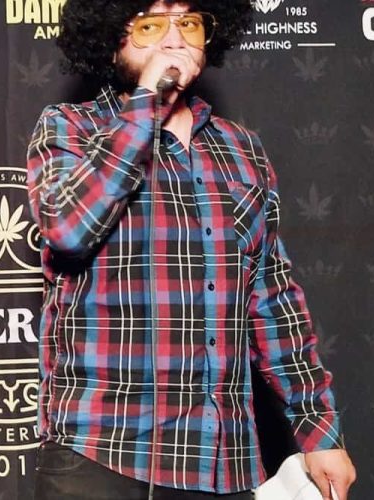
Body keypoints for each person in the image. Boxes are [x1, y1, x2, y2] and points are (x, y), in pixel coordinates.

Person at [26, 1, 356, 499]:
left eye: (190, 23)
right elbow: (69, 229)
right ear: (113, 40)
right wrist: (145, 102)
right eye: (151, 26)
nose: (174, 38)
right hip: (100, 447)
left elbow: (272, 297)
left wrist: (317, 427)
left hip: (218, 457)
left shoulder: (241, 147)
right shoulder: (70, 128)